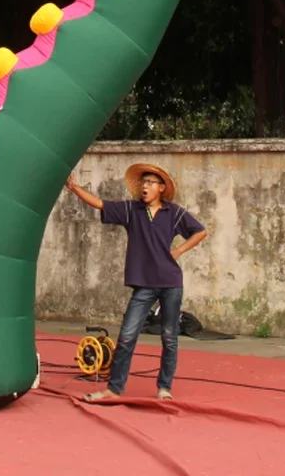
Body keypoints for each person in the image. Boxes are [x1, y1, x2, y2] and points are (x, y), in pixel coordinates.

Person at [65, 162, 208, 401]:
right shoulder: (131, 211)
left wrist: (179, 250)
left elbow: (200, 231)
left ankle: (164, 388)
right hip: (144, 285)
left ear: (161, 188)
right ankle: (114, 389)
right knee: (127, 336)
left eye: (151, 183)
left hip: (171, 282)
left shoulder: (173, 213)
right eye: (143, 182)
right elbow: (100, 204)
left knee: (169, 337)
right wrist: (74, 188)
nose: (145, 186)